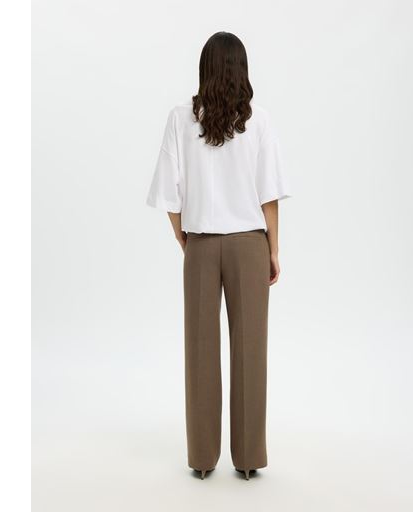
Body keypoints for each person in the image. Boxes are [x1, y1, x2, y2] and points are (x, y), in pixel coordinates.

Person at [146, 31, 291, 480]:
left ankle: (202, 459)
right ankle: (247, 460)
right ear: (242, 69)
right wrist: (273, 249)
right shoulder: (259, 121)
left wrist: (185, 241)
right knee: (251, 351)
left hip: (202, 245)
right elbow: (269, 194)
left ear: (204, 68)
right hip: (250, 244)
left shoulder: (181, 119)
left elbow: (169, 195)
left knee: (200, 351)